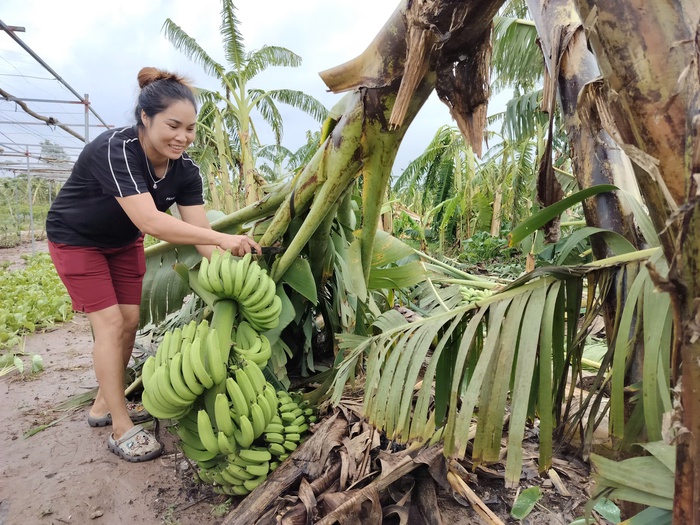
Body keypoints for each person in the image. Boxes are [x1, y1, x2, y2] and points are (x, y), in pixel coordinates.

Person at [46, 67, 261, 462]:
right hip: (77, 240)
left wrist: (233, 280)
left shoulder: (186, 171)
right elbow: (150, 220)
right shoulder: (117, 149)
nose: (182, 137)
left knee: (130, 322)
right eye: (173, 125)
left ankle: (102, 405)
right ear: (146, 118)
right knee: (109, 325)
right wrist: (222, 236)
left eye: (191, 129)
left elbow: (200, 237)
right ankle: (121, 427)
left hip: (123, 242)